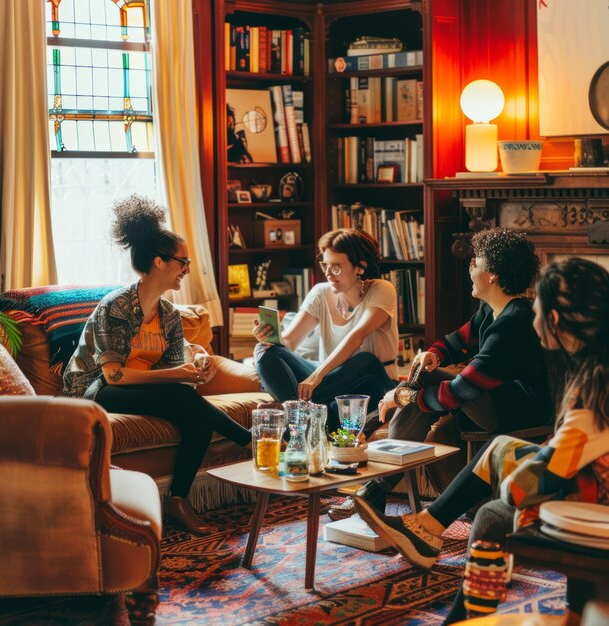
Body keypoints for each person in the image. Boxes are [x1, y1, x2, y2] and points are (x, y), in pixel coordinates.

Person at [354, 257, 609, 624]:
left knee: (493, 512)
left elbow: (539, 477)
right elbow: (573, 449)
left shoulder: (591, 388)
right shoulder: (592, 363)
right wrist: (436, 354)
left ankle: (461, 616)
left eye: (539, 312)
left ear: (554, 322)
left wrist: (511, 486)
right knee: (498, 448)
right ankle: (425, 527)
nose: (534, 321)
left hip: (596, 500)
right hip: (588, 472)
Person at [63, 195, 251, 536]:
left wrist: (199, 365)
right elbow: (112, 375)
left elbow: (176, 371)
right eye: (183, 261)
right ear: (159, 261)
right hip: (95, 392)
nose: (187, 268)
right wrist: (179, 375)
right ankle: (248, 440)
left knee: (195, 418)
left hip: (139, 390)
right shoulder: (117, 307)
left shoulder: (168, 314)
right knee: (183, 401)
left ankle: (177, 500)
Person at [353, 228, 553, 513]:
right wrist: (433, 353)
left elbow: (460, 392)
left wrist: (403, 398)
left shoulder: (513, 322)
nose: (470, 267)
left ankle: (377, 478)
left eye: (476, 262)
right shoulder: (491, 311)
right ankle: (378, 483)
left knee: (426, 381)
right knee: (425, 372)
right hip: (495, 401)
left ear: (493, 274)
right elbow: (454, 342)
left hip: (519, 412)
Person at [253, 228, 399, 432]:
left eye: (337, 267)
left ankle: (291, 411)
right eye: (326, 265)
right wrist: (269, 336)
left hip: (373, 384)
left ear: (360, 267)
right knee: (264, 351)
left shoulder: (382, 289)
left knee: (366, 360)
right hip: (331, 384)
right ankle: (300, 413)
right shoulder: (321, 293)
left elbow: (358, 336)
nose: (328, 273)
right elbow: (290, 342)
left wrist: (317, 376)